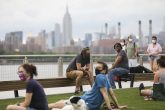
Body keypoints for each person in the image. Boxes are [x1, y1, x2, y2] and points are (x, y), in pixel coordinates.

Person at [49, 61, 127, 110]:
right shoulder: (105, 78)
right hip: (89, 103)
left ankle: (44, 106)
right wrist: (118, 106)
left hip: (86, 102)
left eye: (99, 67)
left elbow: (105, 94)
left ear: (104, 70)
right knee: (62, 103)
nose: (96, 69)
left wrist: (110, 108)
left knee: (62, 104)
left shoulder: (100, 77)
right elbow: (111, 93)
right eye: (96, 67)